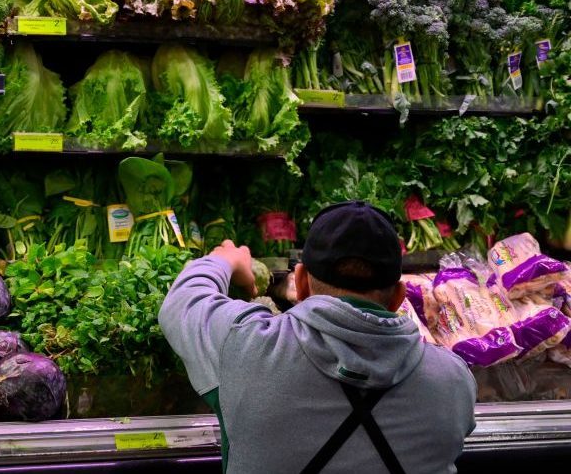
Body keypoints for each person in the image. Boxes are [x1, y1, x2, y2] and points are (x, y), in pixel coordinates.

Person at [159, 201, 476, 474]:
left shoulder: (245, 345)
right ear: (398, 298)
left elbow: (183, 301)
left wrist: (225, 258)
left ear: (301, 284)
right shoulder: (454, 380)